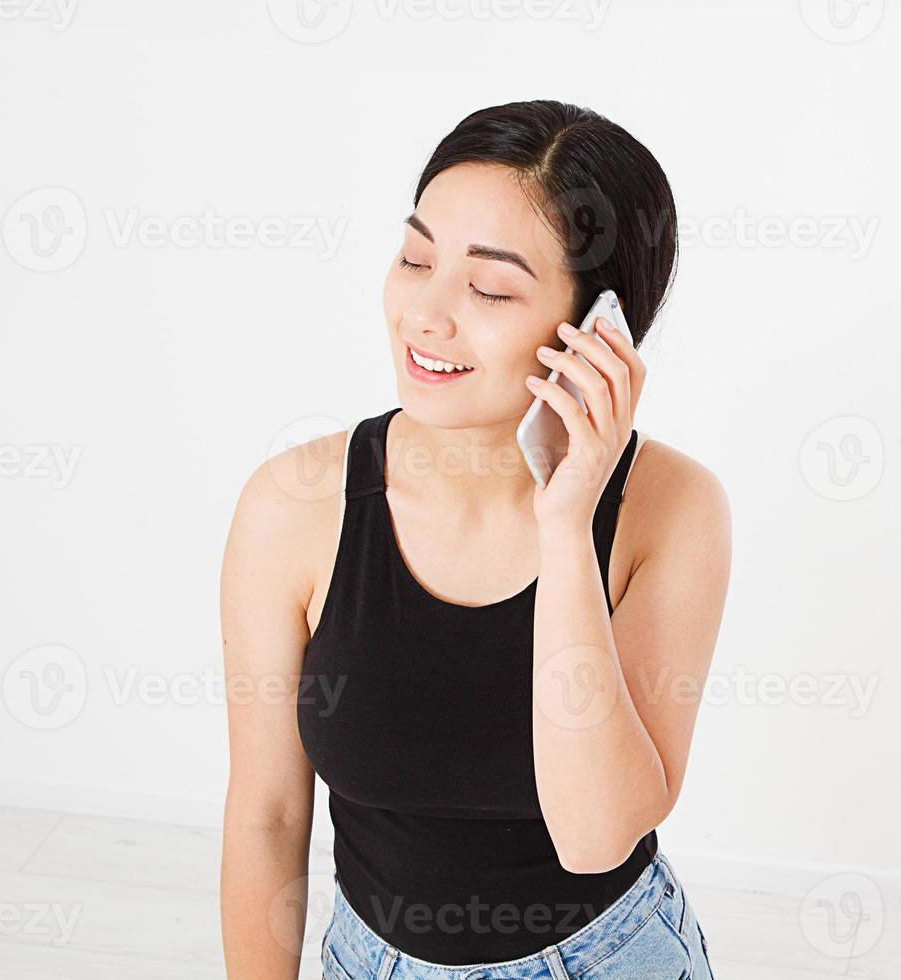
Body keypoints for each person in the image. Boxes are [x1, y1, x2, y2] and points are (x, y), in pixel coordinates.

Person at [219, 100, 732, 979]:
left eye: (490, 289)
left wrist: (568, 526)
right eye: (416, 257)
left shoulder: (673, 510)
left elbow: (597, 835)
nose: (425, 312)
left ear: (598, 330)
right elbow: (267, 814)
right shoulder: (294, 507)